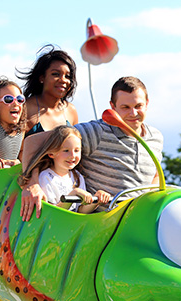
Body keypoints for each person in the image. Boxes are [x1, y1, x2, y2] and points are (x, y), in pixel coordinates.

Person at [20, 76, 163, 221]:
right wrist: (31, 183)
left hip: (140, 220)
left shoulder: (156, 138)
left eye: (138, 106)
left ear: (147, 104)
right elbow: (33, 142)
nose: (133, 113)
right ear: (112, 107)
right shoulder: (96, 132)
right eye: (125, 107)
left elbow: (155, 175)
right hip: (101, 225)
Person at [18, 125, 110, 213]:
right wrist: (73, 195)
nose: (73, 156)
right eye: (66, 150)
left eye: (77, 150)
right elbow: (51, 212)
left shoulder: (77, 177)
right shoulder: (45, 177)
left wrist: (97, 200)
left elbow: (80, 210)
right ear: (51, 154)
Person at [16, 44, 78, 135]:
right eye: (56, 74)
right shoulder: (25, 108)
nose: (63, 80)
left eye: (67, 76)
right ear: (42, 78)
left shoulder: (70, 110)